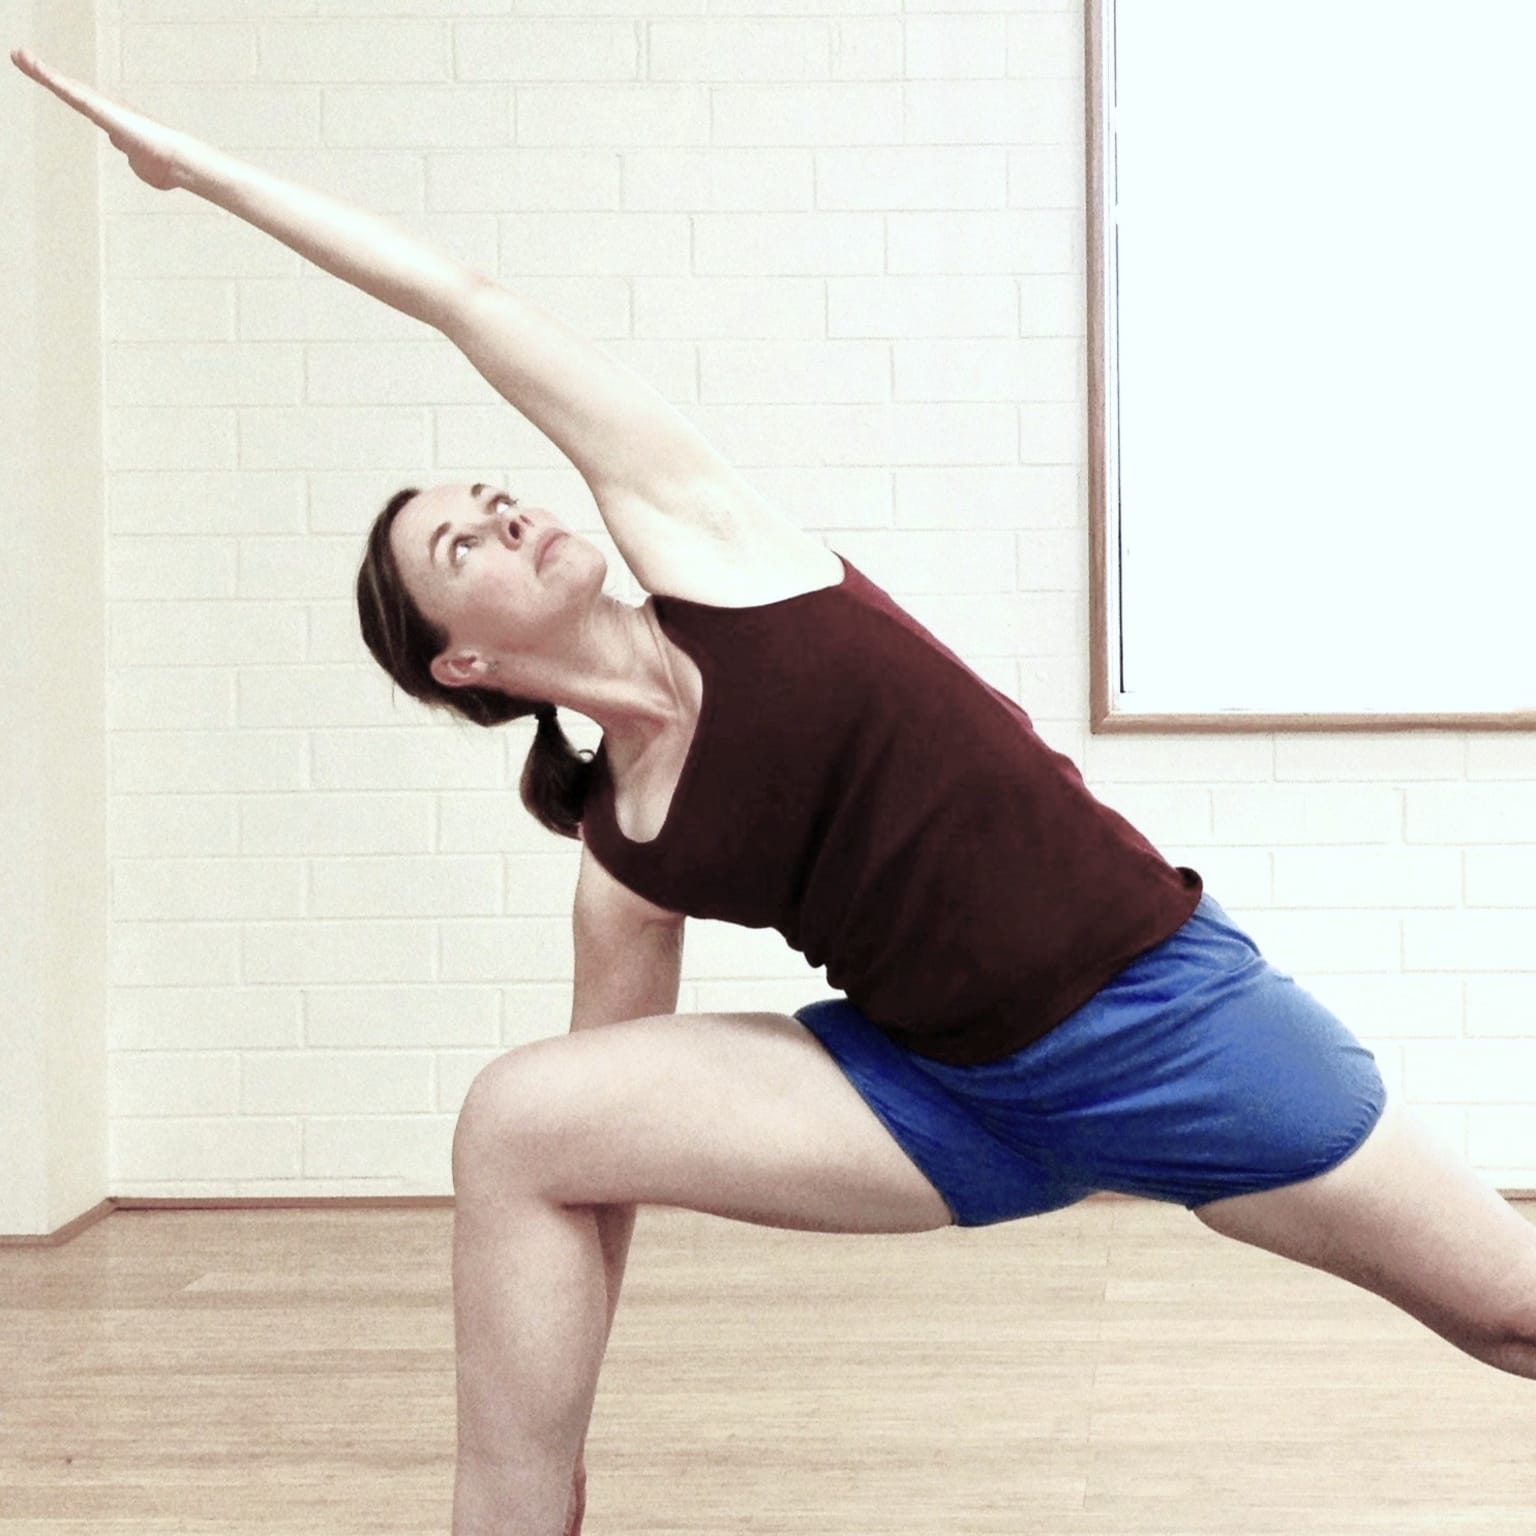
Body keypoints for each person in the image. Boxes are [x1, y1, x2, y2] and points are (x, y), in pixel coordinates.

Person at [16, 47, 1536, 1536]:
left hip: (1166, 1025)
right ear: (464, 662)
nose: (508, 513)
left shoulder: (716, 552)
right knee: (525, 1124)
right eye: (461, 545)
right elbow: (598, 1164)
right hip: (942, 1098)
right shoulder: (624, 851)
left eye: (495, 496)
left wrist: (194, 171)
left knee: (1509, 1312)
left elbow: (463, 300)